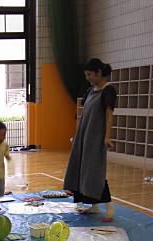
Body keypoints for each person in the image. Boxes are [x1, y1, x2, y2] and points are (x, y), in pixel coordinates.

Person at [64, 58, 117, 222]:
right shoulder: (89, 91)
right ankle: (93, 206)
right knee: (82, 171)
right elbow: (84, 115)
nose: (87, 77)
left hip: (96, 139)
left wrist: (107, 137)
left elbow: (109, 114)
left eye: (89, 74)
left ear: (99, 73)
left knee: (95, 172)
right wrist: (78, 135)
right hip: (83, 137)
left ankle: (109, 207)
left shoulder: (108, 90)